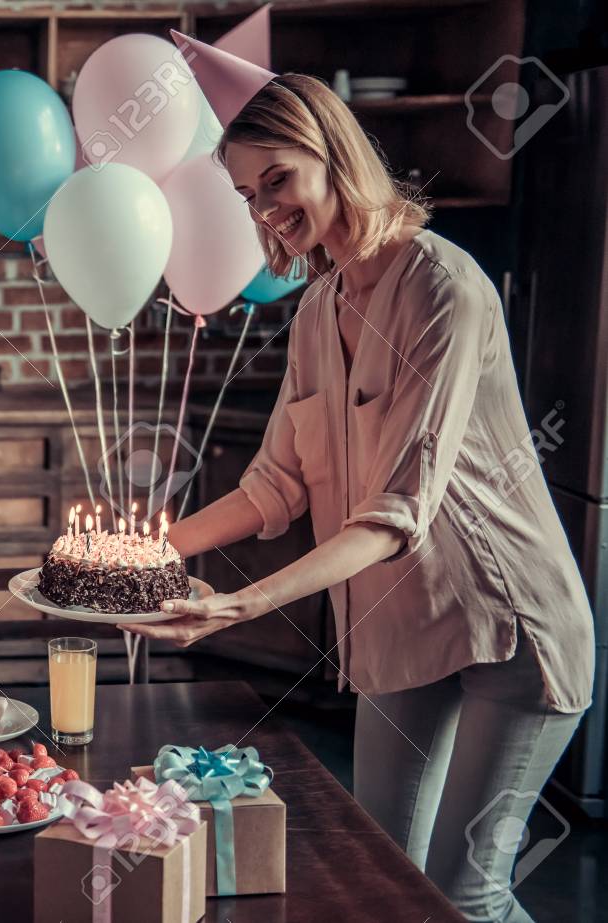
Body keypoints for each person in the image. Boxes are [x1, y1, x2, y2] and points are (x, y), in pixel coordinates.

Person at [122, 74, 593, 923]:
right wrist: (140, 556)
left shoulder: (443, 289)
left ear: (333, 154)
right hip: (400, 629)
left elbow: (394, 513)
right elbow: (275, 483)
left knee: (463, 893)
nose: (264, 208)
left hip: (511, 627)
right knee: (384, 882)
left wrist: (240, 604)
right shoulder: (315, 311)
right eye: (245, 192)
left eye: (277, 179)